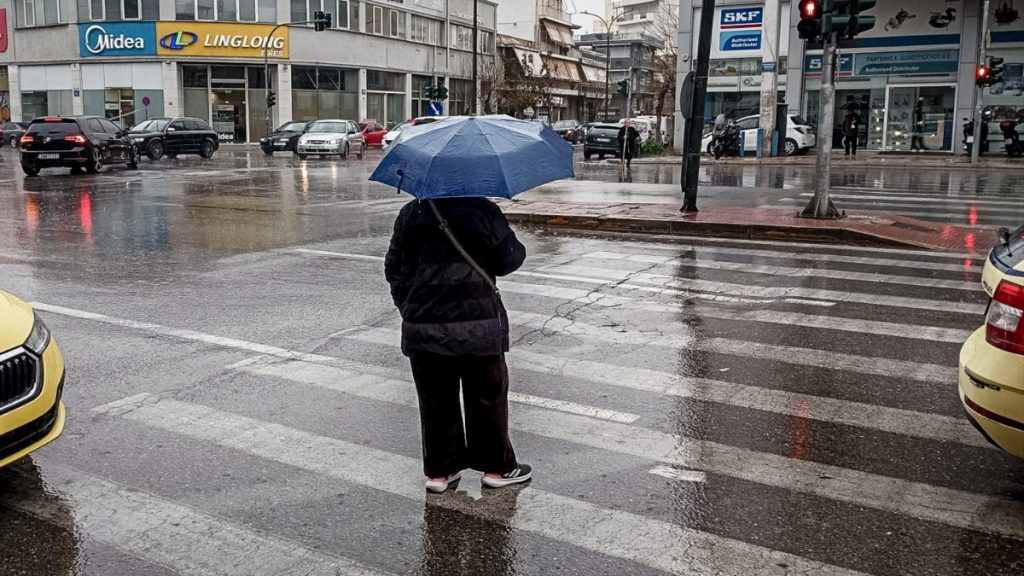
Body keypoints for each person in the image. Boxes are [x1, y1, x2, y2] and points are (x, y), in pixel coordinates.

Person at [385, 197, 531, 493]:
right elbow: (509, 260)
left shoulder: (413, 213)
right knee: (488, 397)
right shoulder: (483, 210)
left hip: (424, 329)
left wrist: (410, 306)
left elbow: (394, 269)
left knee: (436, 400)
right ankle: (497, 468)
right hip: (479, 326)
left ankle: (440, 472)